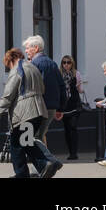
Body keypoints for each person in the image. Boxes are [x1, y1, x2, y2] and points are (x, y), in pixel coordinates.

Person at [0, 49, 56, 178]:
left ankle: (36, 167)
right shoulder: (33, 68)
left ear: (11, 60)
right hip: (38, 110)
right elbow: (43, 88)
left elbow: (8, 94)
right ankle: (43, 165)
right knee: (26, 142)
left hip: (24, 113)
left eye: (8, 64)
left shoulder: (17, 69)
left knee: (16, 144)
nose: (9, 67)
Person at [23, 36, 64, 171]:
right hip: (51, 106)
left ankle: (48, 163)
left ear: (36, 48)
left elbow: (30, 86)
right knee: (39, 135)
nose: (26, 50)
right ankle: (41, 167)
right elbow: (61, 85)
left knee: (33, 138)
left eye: (28, 47)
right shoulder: (52, 63)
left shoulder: (34, 64)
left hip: (37, 106)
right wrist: (60, 108)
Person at [59, 55, 85, 160]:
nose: (66, 64)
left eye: (68, 62)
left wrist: (82, 90)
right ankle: (70, 151)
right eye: (64, 62)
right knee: (67, 129)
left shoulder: (76, 74)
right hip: (64, 105)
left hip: (74, 104)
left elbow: (79, 88)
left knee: (73, 127)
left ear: (72, 63)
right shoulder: (59, 74)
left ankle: (74, 153)